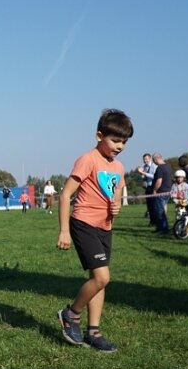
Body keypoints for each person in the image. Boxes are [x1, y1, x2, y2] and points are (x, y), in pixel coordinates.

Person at [56, 109, 133, 353]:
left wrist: (117, 204)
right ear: (99, 135)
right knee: (102, 277)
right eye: (115, 140)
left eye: (124, 142)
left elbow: (117, 190)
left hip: (105, 227)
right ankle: (71, 314)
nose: (120, 146)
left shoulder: (119, 166)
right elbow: (66, 194)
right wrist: (64, 231)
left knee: (98, 281)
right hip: (84, 224)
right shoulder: (87, 159)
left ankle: (94, 331)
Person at [150, 153, 172, 235]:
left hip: (161, 192)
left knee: (160, 211)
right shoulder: (168, 167)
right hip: (167, 191)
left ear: (155, 159)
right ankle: (159, 228)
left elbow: (159, 181)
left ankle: (164, 229)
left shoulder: (160, 168)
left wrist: (155, 190)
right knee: (161, 211)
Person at [136, 153, 156, 225]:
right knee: (149, 205)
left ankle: (155, 221)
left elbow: (154, 176)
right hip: (147, 187)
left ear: (150, 159)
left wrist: (144, 173)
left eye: (147, 159)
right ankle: (152, 221)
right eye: (144, 159)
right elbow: (143, 177)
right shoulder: (144, 167)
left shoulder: (154, 166)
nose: (145, 161)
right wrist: (141, 174)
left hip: (153, 187)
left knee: (154, 205)